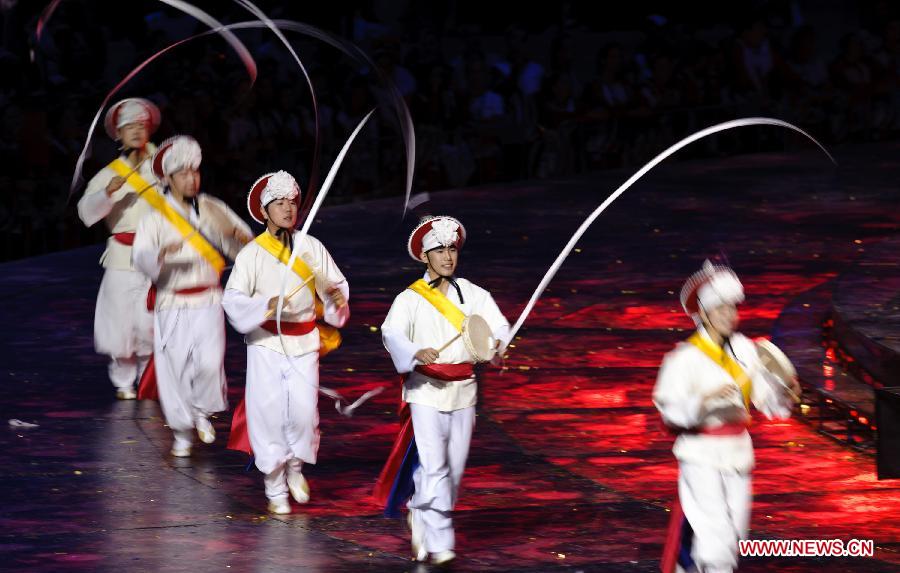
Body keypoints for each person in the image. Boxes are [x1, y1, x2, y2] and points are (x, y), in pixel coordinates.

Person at [375, 215, 510, 565]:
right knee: (434, 466)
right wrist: (414, 351)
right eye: (440, 250)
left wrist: (498, 344)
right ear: (424, 256)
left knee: (455, 468)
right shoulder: (409, 299)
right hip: (425, 391)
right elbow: (391, 333)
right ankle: (440, 540)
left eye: (452, 249)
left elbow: (498, 326)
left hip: (464, 391)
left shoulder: (475, 294)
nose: (448, 256)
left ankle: (419, 511)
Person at [654, 261, 800, 573]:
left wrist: (785, 391)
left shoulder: (748, 350)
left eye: (732, 308)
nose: (729, 315)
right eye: (720, 309)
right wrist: (704, 402)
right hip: (701, 456)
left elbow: (768, 401)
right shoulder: (683, 358)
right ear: (704, 313)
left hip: (739, 454)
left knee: (733, 537)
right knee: (714, 538)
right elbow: (670, 412)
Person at [222, 170, 350, 514]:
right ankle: (274, 485)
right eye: (279, 204)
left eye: (291, 203)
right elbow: (232, 298)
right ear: (265, 211)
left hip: (304, 342)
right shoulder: (252, 254)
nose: (287, 209)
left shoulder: (311, 247)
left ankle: (296, 467)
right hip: (266, 344)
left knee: (304, 413)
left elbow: (335, 286)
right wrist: (264, 306)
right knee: (269, 415)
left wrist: (336, 298)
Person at [132, 135, 252, 457]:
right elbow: (141, 257)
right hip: (172, 301)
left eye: (195, 172)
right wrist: (161, 253)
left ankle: (201, 411)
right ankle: (182, 432)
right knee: (175, 367)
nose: (192, 179)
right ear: (168, 179)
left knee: (210, 363)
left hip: (208, 299)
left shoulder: (213, 207)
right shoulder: (155, 218)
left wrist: (240, 239)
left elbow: (240, 244)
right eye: (183, 173)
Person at [76, 98, 161, 399]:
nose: (136, 131)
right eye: (130, 128)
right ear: (119, 135)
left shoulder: (163, 167)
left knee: (152, 321)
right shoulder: (109, 172)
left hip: (156, 256)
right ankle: (123, 380)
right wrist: (108, 193)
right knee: (121, 319)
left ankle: (149, 378)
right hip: (122, 256)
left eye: (141, 126)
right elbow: (86, 213)